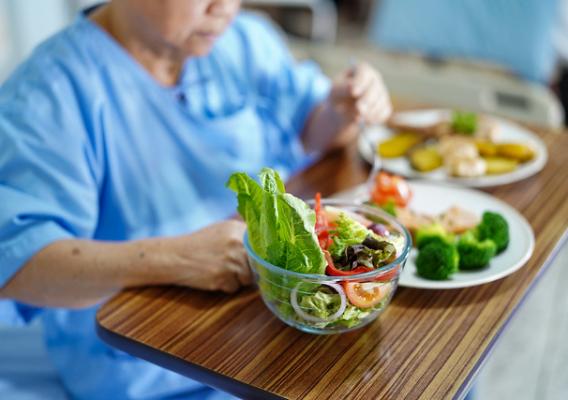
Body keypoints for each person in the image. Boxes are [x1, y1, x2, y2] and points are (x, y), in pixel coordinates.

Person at [0, 0, 391, 399]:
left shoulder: (242, 41)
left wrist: (342, 111)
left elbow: (310, 129)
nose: (224, 8)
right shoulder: (49, 94)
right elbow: (18, 264)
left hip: (267, 330)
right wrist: (175, 259)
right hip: (147, 365)